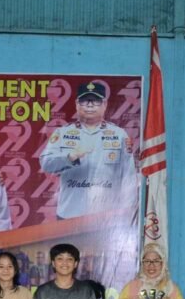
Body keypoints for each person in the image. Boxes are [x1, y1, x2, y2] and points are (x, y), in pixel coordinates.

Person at [39, 82, 136, 220]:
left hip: (106, 216)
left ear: (104, 104)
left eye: (95, 101)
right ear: (77, 104)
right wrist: (70, 157)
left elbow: (129, 177)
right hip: (69, 213)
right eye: (85, 101)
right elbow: (46, 164)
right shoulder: (62, 133)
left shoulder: (119, 134)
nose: (90, 105)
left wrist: (128, 211)